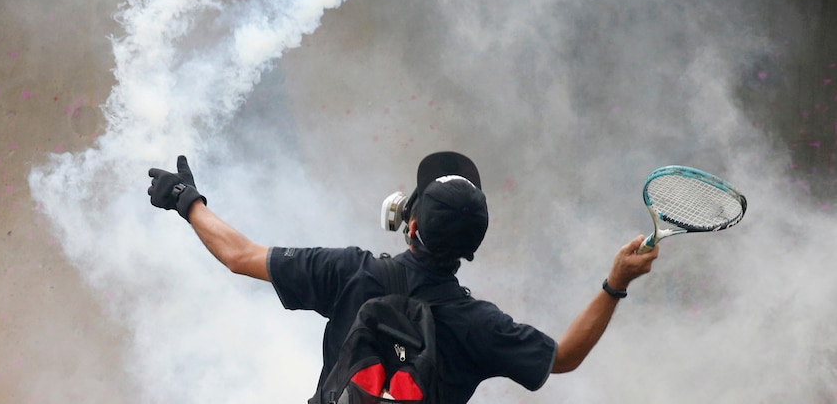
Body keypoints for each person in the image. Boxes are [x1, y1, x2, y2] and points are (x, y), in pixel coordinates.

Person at [148, 151, 659, 404]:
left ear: (408, 223)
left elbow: (239, 255)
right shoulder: (480, 325)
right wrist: (616, 282)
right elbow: (563, 358)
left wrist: (185, 200)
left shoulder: (352, 272)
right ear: (471, 249)